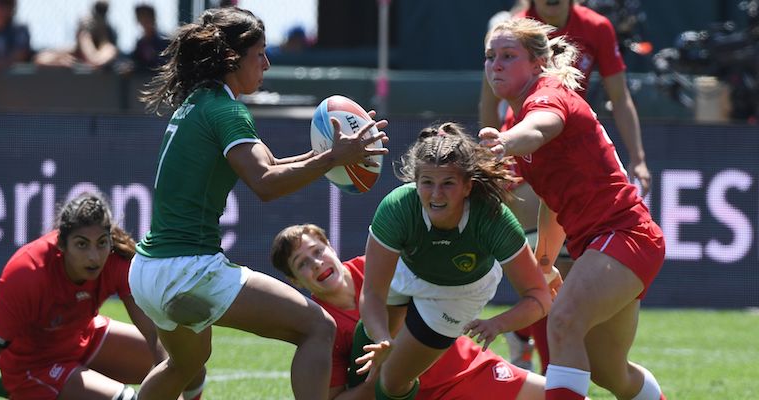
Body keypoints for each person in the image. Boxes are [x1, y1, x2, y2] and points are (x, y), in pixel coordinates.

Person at [129, 6, 389, 400]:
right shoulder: (227, 109)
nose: (267, 63)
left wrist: (337, 151)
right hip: (187, 270)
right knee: (318, 327)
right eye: (260, 54)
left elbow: (271, 164)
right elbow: (265, 184)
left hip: (147, 271)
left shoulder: (202, 102)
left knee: (183, 364)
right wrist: (335, 158)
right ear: (233, 59)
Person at [480, 17, 665, 400]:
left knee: (562, 322)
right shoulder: (519, 114)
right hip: (605, 244)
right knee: (610, 373)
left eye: (508, 55)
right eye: (489, 56)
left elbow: (541, 127)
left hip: (626, 235)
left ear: (537, 64)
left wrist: (505, 141)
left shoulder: (546, 96)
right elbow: (553, 200)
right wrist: (545, 262)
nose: (495, 64)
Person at [356, 122, 556, 400]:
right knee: (366, 346)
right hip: (408, 270)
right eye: (427, 183)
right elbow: (372, 293)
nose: (436, 194)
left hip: (457, 293)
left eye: (448, 183)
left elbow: (540, 297)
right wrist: (381, 338)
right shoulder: (397, 208)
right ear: (415, 182)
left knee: (391, 383)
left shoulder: (492, 218)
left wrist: (497, 324)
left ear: (467, 186)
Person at [271, 223, 558, 400]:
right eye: (303, 264)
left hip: (468, 368)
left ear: (330, 246)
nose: (317, 263)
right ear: (296, 281)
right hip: (411, 395)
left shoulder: (379, 265)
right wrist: (377, 376)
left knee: (567, 396)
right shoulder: (321, 326)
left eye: (317, 251)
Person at [0, 192, 174, 400]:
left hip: (82, 338)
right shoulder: (27, 273)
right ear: (62, 245)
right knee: (126, 399)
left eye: (101, 243)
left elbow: (154, 333)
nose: (94, 256)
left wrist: (171, 381)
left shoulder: (115, 259)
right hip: (32, 366)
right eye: (82, 244)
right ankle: (12, 388)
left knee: (183, 361)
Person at [130, 3, 169, 72]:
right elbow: (135, 62)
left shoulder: (164, 40)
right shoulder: (141, 43)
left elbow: (163, 63)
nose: (144, 20)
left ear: (153, 18)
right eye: (141, 17)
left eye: (147, 16)